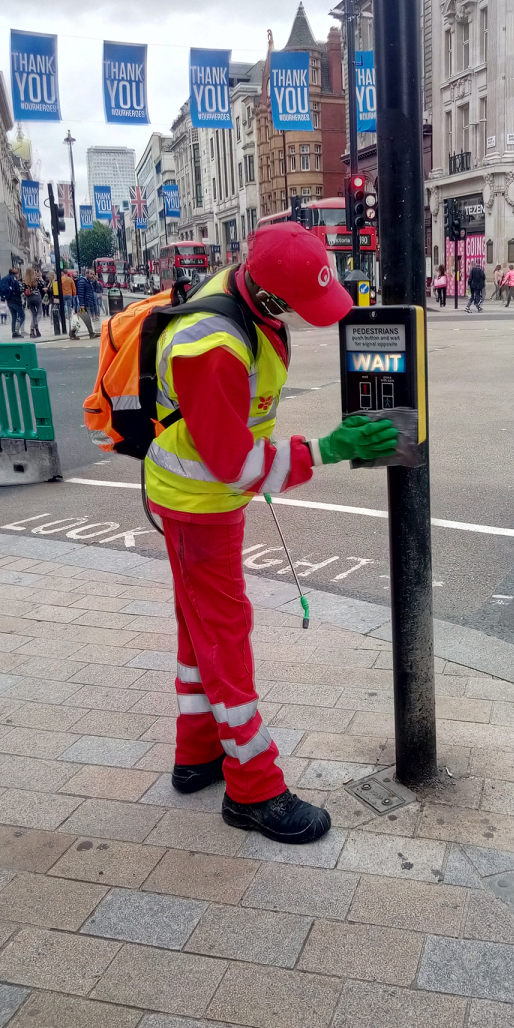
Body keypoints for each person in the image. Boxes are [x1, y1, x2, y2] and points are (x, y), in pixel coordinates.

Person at [146, 222, 397, 845]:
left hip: (202, 498)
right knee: (225, 635)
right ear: (269, 293)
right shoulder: (212, 349)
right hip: (196, 503)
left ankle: (195, 754)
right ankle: (253, 789)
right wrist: (328, 449)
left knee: (199, 627)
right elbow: (235, 463)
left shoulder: (244, 296)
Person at [70, 270, 98, 339]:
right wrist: (82, 305)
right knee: (81, 319)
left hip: (87, 304)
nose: (92, 276)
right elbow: (80, 293)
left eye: (93, 274)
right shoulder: (82, 282)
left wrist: (95, 281)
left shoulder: (88, 282)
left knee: (81, 319)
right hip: (82, 305)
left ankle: (90, 333)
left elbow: (93, 290)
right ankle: (73, 334)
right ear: (87, 274)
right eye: (91, 274)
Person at [0, 267, 25, 338]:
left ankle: (13, 332)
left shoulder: (6, 279)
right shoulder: (14, 281)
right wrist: (22, 290)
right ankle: (16, 331)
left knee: (14, 316)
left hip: (9, 300)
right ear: (16, 274)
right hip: (16, 301)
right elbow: (17, 291)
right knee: (22, 315)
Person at [24, 271, 43, 338]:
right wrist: (40, 278)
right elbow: (42, 285)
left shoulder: (25, 281)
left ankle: (32, 331)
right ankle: (36, 324)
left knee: (34, 315)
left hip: (29, 298)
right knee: (39, 313)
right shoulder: (36, 279)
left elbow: (22, 290)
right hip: (37, 297)